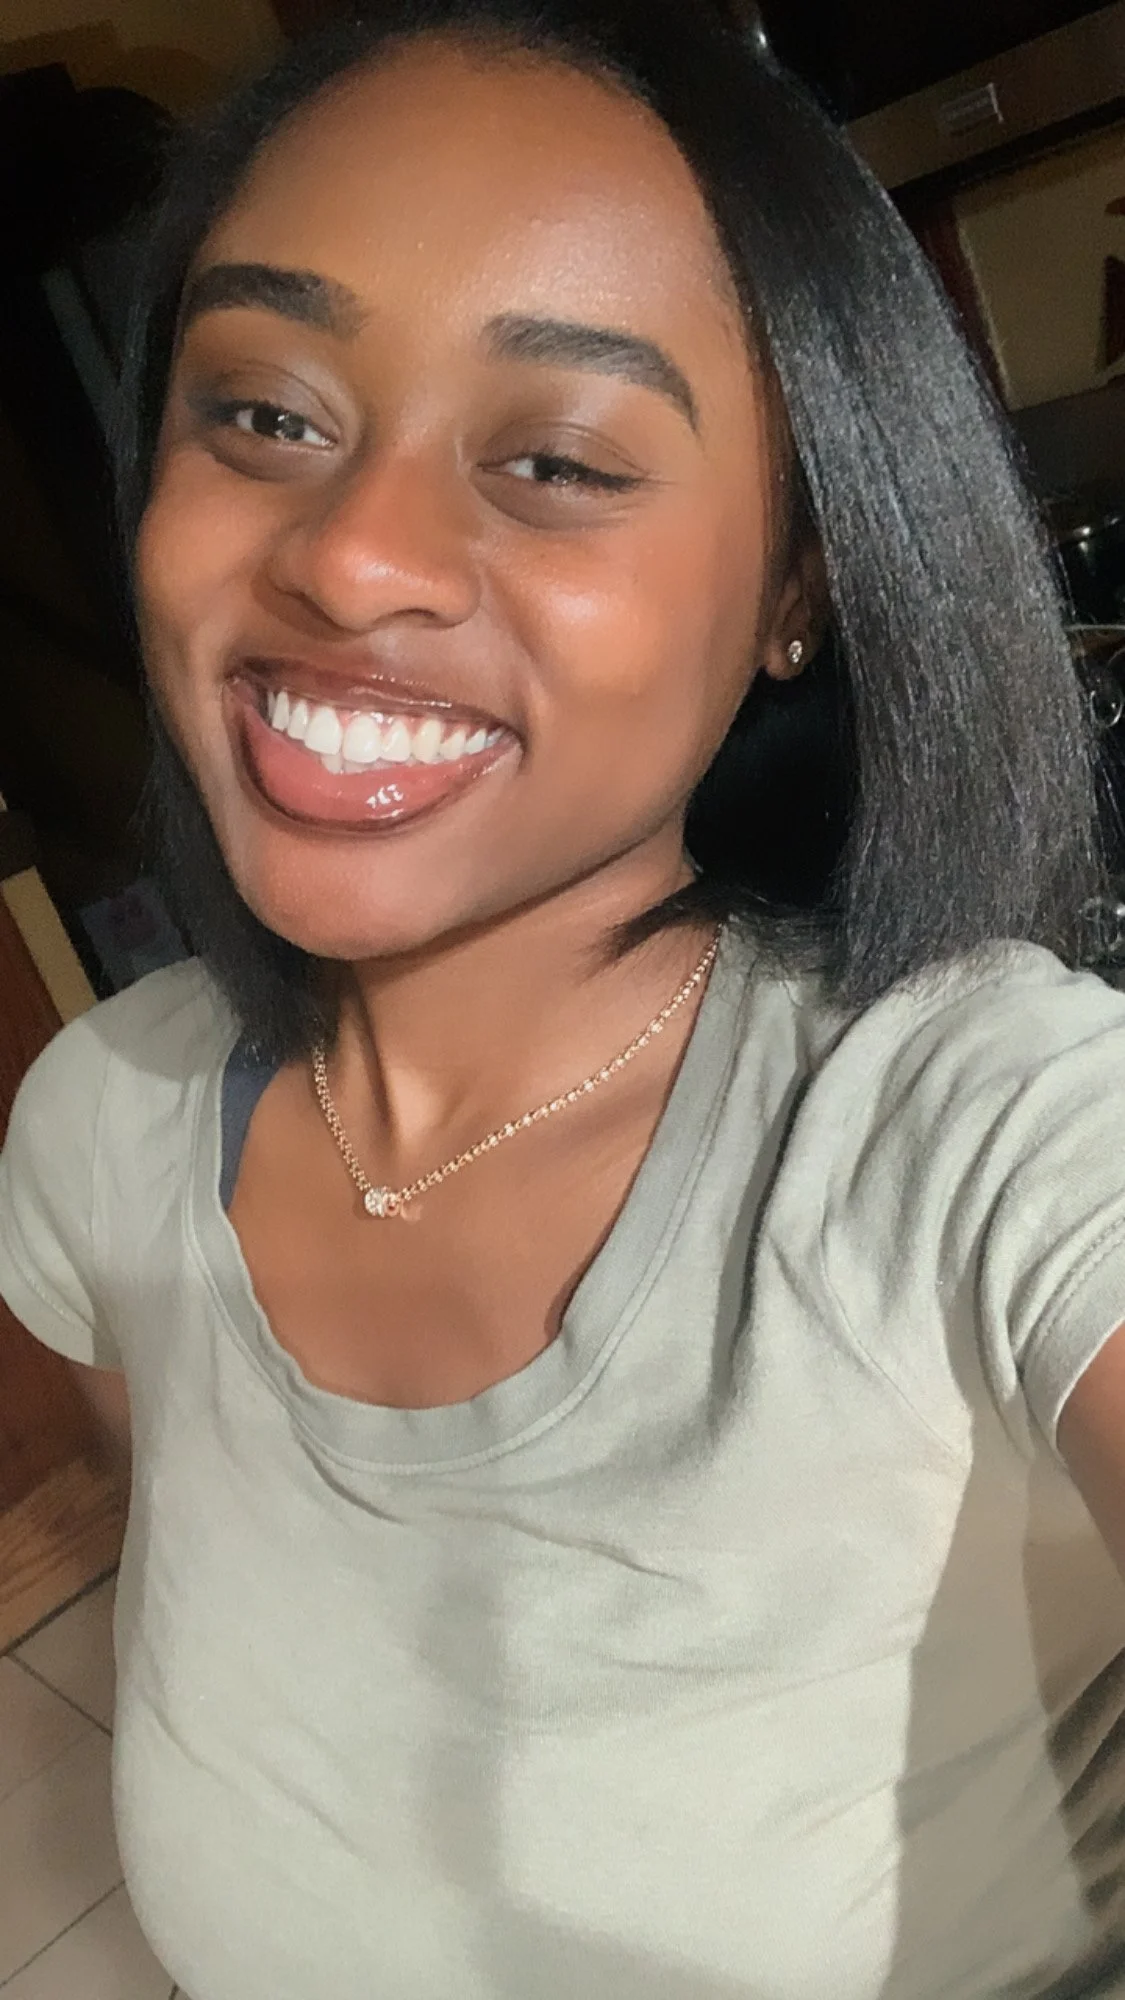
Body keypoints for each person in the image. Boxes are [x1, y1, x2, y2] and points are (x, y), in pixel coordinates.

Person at [3, 1, 1125, 1993]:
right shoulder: (105, 1117)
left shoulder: (983, 1121)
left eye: (554, 456)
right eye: (263, 409)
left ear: (793, 580)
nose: (349, 559)